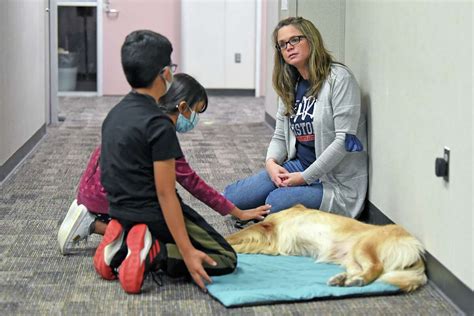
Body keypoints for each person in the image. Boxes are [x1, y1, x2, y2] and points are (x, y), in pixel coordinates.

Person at [68, 30, 269, 295]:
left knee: (153, 227)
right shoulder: (159, 126)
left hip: (119, 211)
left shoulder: (114, 115)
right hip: (151, 214)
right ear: (164, 74)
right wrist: (186, 252)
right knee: (225, 257)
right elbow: (165, 195)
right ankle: (154, 252)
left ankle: (121, 245)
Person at [57, 73, 269, 256]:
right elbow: (193, 183)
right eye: (196, 112)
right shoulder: (161, 132)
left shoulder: (139, 113)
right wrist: (238, 213)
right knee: (165, 231)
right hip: (109, 198)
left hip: (90, 189)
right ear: (183, 107)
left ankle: (99, 221)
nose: (195, 119)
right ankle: (99, 225)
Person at [223, 17, 368, 219]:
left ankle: (272, 212)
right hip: (299, 166)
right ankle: (272, 212)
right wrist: (271, 164)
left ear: (311, 40)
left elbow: (344, 141)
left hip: (332, 179)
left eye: (295, 40)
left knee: (275, 201)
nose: (288, 47)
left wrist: (304, 178)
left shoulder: (339, 79)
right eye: (282, 44)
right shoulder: (291, 84)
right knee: (233, 198)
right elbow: (280, 136)